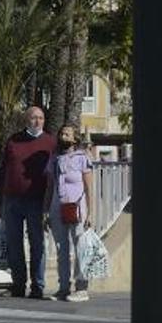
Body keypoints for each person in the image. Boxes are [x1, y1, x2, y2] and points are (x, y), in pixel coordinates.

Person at [0, 106, 55, 299]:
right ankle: (18, 285)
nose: (37, 121)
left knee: (37, 244)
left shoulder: (50, 142)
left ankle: (37, 287)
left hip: (37, 201)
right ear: (26, 120)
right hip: (11, 200)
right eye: (33, 118)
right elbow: (3, 171)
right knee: (14, 244)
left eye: (41, 118)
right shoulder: (13, 140)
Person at [44, 123, 94, 302]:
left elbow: (88, 187)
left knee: (80, 247)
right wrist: (46, 210)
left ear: (74, 139)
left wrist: (90, 213)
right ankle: (63, 287)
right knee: (61, 248)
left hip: (78, 206)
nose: (63, 137)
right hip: (58, 206)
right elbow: (50, 186)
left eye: (67, 134)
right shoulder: (55, 159)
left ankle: (81, 288)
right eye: (61, 134)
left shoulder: (82, 158)